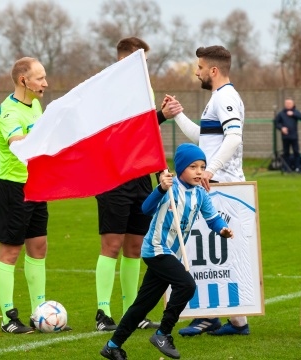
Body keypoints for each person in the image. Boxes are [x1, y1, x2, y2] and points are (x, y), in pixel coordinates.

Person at [100, 143, 234, 360]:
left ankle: (113, 345)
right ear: (180, 168)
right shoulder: (168, 187)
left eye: (202, 167)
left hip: (172, 254)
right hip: (155, 250)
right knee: (187, 284)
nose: (199, 172)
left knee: (142, 305)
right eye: (193, 167)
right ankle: (163, 333)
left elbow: (213, 219)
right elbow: (146, 209)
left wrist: (222, 230)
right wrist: (161, 188)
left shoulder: (200, 194)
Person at [94, 37, 178, 332]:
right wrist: (160, 117)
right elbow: (122, 133)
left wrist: (159, 169)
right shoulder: (105, 90)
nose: (146, 65)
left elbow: (146, 136)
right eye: (142, 60)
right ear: (126, 61)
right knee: (112, 244)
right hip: (112, 178)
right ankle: (103, 312)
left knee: (135, 246)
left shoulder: (144, 88)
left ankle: (133, 312)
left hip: (140, 178)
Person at [165, 45, 250, 336]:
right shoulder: (218, 97)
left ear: (213, 70)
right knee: (211, 254)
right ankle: (229, 320)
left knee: (216, 254)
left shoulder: (225, 96)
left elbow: (233, 137)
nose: (196, 71)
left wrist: (210, 170)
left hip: (223, 187)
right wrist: (177, 115)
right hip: (215, 185)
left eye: (199, 67)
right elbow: (206, 138)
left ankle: (214, 318)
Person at [0, 57, 68, 334]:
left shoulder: (35, 104)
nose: (45, 83)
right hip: (13, 188)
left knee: (39, 247)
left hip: (36, 186)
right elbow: (17, 146)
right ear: (23, 80)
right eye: (40, 78)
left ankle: (40, 313)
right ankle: (8, 317)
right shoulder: (9, 112)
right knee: (10, 251)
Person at [274, 98, 301, 172]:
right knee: (286, 153)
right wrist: (281, 128)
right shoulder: (281, 113)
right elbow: (276, 123)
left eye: (289, 103)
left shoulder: (295, 112)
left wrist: (293, 114)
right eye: (286, 103)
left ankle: (297, 168)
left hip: (294, 136)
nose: (288, 105)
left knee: (296, 152)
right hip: (285, 137)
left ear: (293, 104)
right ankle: (286, 168)